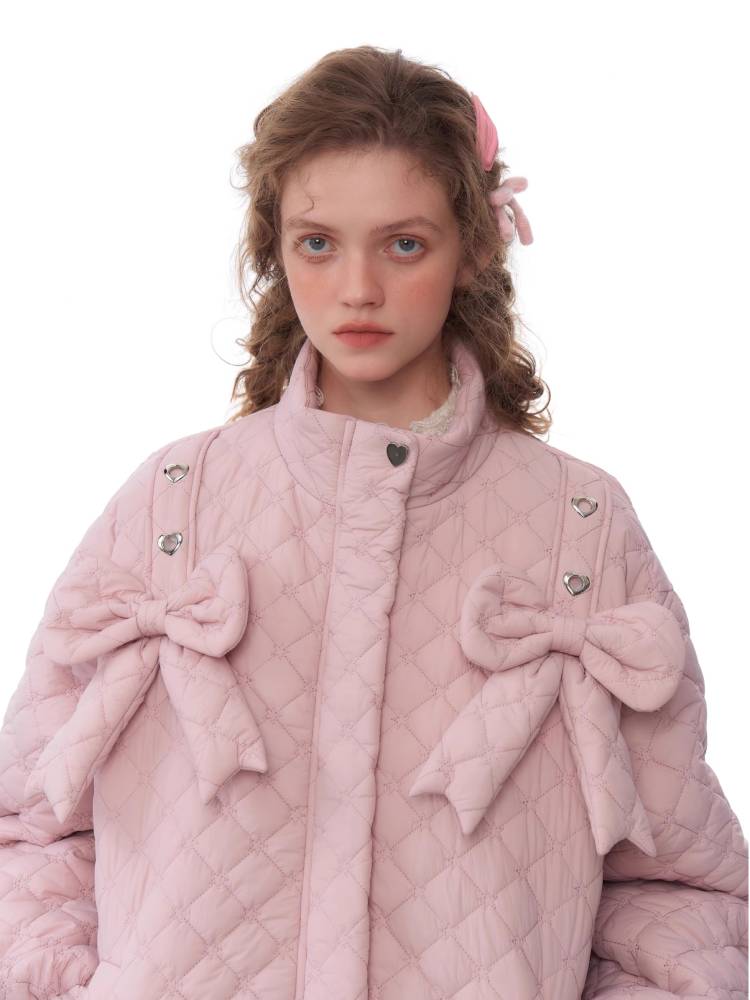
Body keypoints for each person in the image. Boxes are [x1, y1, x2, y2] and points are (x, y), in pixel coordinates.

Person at [0, 44, 746, 1000]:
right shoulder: (171, 504)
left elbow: (676, 878)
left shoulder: (580, 526)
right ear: (275, 249)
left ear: (474, 248)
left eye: (403, 244)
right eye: (318, 243)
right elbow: (33, 827)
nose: (357, 289)